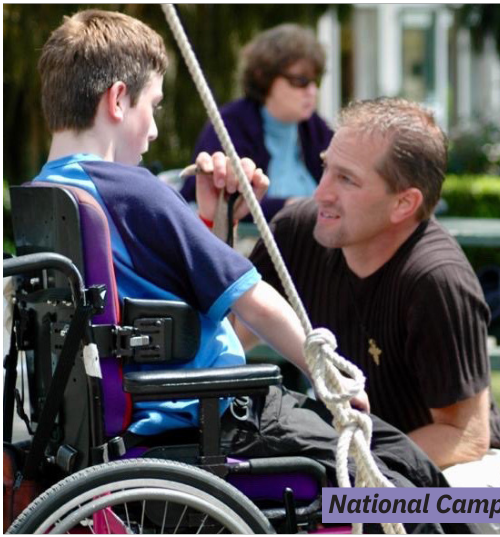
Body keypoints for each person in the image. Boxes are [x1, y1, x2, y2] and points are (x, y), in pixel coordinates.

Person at [34, 10, 474, 535]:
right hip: (217, 424)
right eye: (152, 107)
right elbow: (253, 297)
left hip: (129, 427)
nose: (153, 130)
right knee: (403, 474)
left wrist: (209, 219)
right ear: (118, 99)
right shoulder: (132, 187)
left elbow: (151, 288)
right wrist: (324, 375)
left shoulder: (49, 195)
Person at [244, 98, 500, 534]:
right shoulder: (297, 231)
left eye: (347, 179)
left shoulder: (437, 280)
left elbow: (466, 436)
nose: (322, 191)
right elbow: (228, 335)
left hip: (466, 468)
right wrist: (218, 219)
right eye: (326, 167)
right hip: (357, 456)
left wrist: (362, 481)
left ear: (403, 204)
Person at [180, 23, 334, 221]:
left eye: (316, 81)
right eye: (300, 80)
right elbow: (209, 196)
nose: (312, 91)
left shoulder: (316, 128)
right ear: (263, 77)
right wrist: (289, 207)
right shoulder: (230, 124)